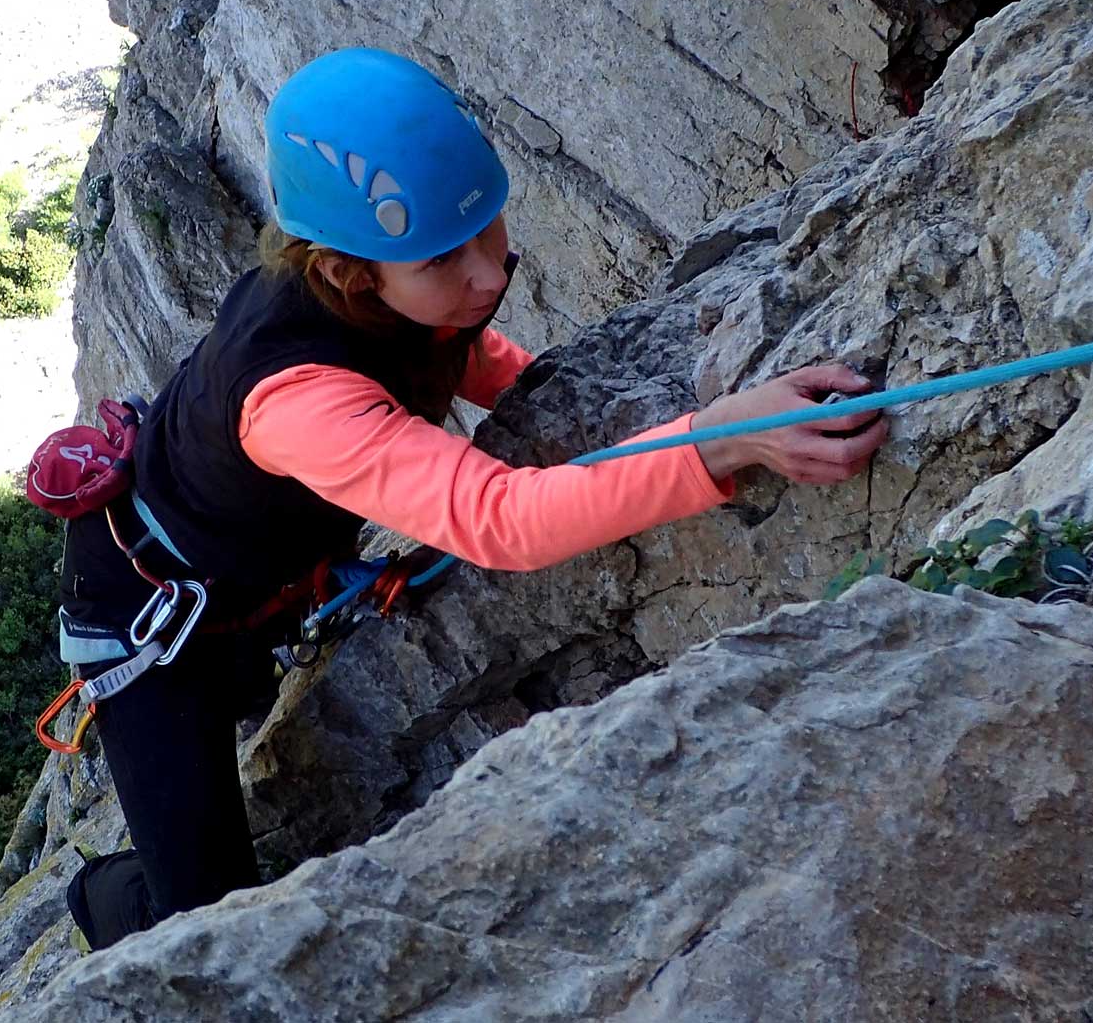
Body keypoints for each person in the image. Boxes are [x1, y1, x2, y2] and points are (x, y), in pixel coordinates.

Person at [56, 47, 888, 950]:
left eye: (490, 228)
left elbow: (460, 353)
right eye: (447, 258)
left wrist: (579, 408)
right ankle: (99, 891)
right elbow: (503, 522)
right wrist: (723, 437)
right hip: (151, 618)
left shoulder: (398, 289)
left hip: (255, 565)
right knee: (197, 919)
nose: (490, 275)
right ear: (348, 271)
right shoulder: (297, 400)